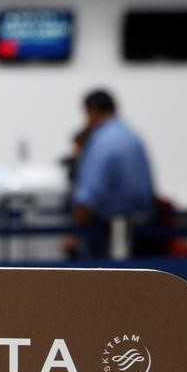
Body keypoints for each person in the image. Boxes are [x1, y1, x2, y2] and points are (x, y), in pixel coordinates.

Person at [68, 89, 155, 257]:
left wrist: (74, 233)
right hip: (140, 226)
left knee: (98, 279)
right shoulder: (131, 136)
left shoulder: (102, 142)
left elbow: (89, 194)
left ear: (91, 110)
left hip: (109, 228)